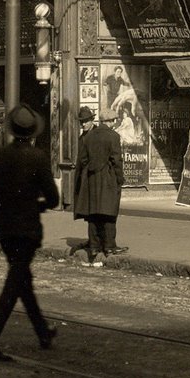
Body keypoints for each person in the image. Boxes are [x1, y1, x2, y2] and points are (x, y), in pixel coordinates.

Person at [0, 105, 60, 361]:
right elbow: (54, 199)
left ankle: (43, 331)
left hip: (5, 231)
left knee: (22, 280)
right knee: (14, 285)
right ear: (32, 132)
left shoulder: (0, 157)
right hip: (27, 231)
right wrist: (37, 205)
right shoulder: (37, 158)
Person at [71, 105, 124, 265]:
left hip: (91, 179)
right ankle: (109, 246)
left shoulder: (88, 137)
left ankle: (94, 247)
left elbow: (83, 159)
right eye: (114, 121)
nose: (114, 123)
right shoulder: (113, 136)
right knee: (109, 212)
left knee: (93, 213)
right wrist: (120, 178)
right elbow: (116, 160)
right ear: (110, 121)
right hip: (107, 178)